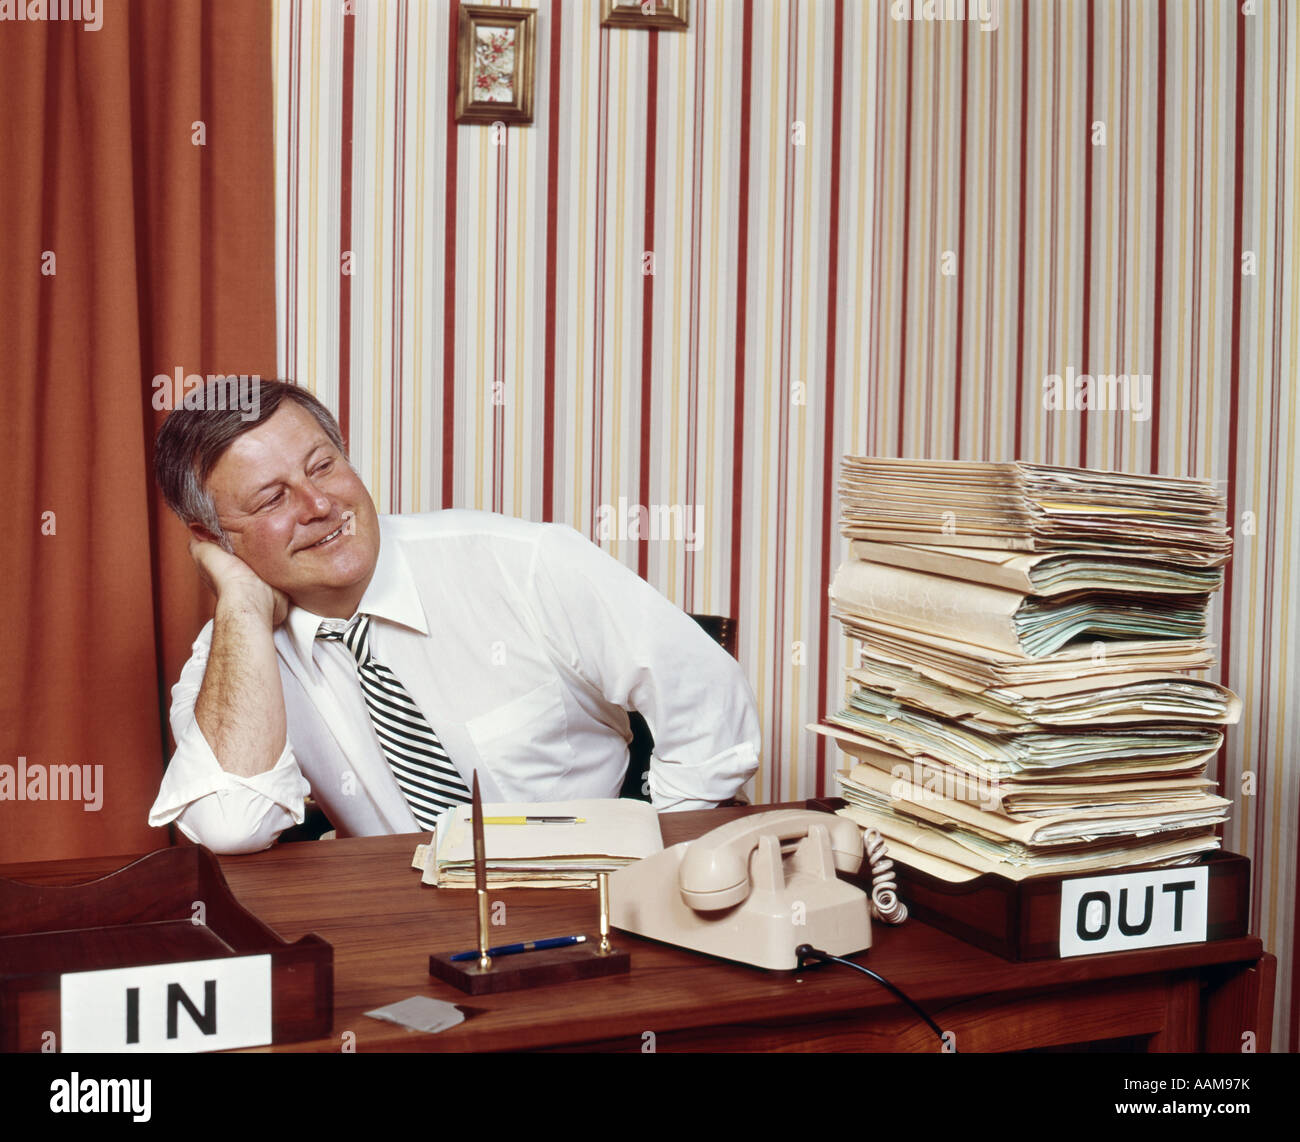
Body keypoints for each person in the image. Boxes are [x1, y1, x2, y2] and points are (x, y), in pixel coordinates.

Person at [148, 380, 761, 853]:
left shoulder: (520, 563)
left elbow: (707, 697)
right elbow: (230, 826)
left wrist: (651, 856)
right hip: (411, 928)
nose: (319, 504)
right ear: (213, 537)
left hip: (600, 900)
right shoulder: (235, 655)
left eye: (322, 465)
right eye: (273, 498)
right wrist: (241, 604)